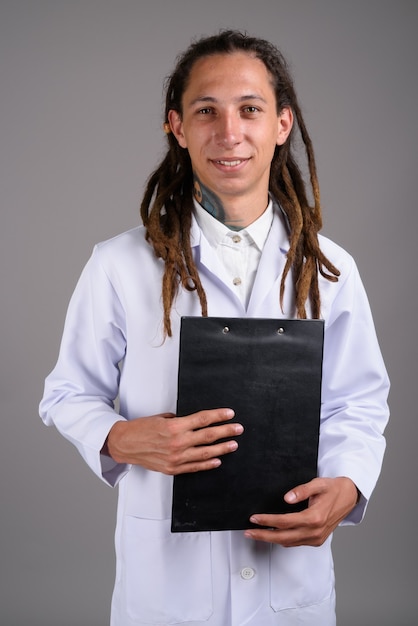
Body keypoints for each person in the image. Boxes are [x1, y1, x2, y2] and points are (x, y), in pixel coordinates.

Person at [39, 30, 389, 626]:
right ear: (176, 126)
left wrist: (349, 485)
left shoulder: (329, 270)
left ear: (282, 124)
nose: (229, 133)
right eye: (207, 111)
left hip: (288, 585)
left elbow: (358, 402)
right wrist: (120, 437)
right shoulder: (119, 265)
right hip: (166, 588)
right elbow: (67, 394)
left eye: (250, 109)